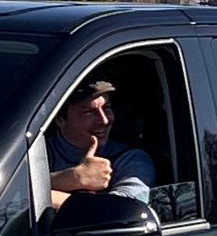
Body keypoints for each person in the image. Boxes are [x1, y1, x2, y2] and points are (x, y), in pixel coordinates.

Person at [48, 79, 155, 207]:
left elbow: (118, 209)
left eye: (107, 108)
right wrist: (69, 179)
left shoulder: (131, 159)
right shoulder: (33, 156)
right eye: (89, 111)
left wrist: (43, 196)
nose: (104, 120)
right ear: (59, 118)